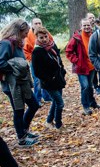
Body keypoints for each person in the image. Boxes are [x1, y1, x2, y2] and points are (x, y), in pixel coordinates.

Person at [0, 19, 40, 148]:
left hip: (23, 83)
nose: (26, 35)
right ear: (18, 30)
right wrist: (15, 67)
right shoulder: (6, 43)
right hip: (12, 85)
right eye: (25, 32)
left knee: (34, 105)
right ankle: (21, 139)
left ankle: (24, 130)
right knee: (18, 110)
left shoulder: (17, 43)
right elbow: (1, 62)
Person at [65, 18, 100, 116]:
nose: (86, 27)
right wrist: (77, 61)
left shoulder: (93, 36)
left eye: (88, 25)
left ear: (91, 26)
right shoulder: (77, 38)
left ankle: (93, 104)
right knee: (85, 87)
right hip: (81, 67)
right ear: (81, 27)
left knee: (90, 86)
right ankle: (85, 106)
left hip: (91, 67)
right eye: (84, 25)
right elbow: (68, 51)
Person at [31, 27, 67, 131]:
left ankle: (49, 121)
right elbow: (37, 72)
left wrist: (62, 72)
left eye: (45, 36)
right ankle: (58, 124)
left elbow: (59, 60)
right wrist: (49, 79)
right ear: (37, 38)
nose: (44, 39)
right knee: (60, 103)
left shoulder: (52, 46)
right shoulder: (37, 52)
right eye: (41, 37)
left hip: (58, 80)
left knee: (56, 102)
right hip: (49, 83)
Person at [23, 18, 53, 106]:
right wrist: (31, 59)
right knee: (37, 80)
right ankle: (38, 99)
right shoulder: (28, 35)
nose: (38, 25)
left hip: (46, 60)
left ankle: (46, 97)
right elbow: (25, 50)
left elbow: (52, 42)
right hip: (35, 61)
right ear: (32, 25)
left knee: (46, 78)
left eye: (39, 23)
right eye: (36, 23)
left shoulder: (46, 32)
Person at [87, 12, 100, 95]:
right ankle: (96, 87)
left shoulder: (98, 29)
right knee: (93, 72)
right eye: (90, 18)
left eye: (93, 17)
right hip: (91, 54)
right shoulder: (86, 30)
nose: (92, 19)